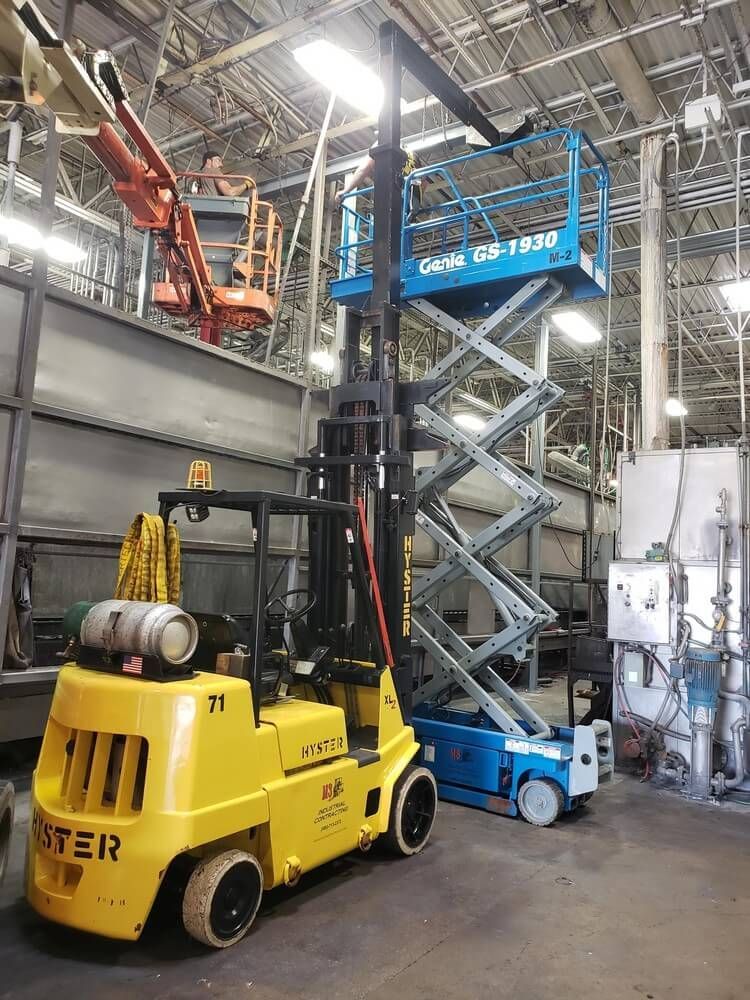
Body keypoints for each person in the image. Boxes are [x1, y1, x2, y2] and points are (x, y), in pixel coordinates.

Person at [335, 136, 422, 217]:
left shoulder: (382, 147)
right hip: (410, 201)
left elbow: (363, 170)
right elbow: (424, 181)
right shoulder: (412, 155)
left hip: (393, 197)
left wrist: (345, 191)